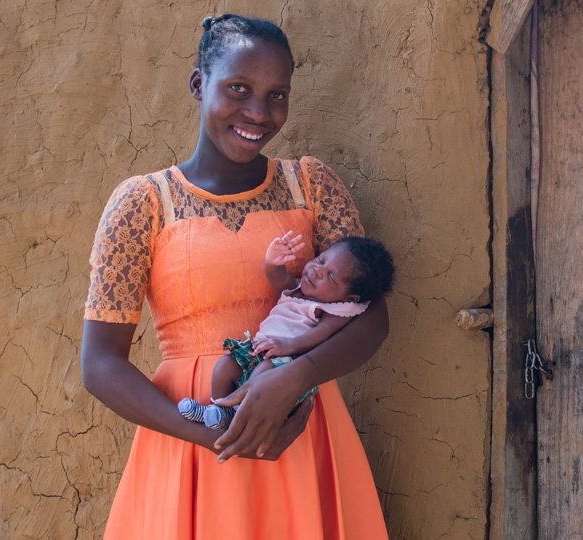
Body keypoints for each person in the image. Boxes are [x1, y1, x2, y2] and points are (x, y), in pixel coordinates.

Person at [80, 13, 390, 539]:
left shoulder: (312, 187)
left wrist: (294, 377)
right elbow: (100, 363)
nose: (258, 112)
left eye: (276, 95)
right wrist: (210, 433)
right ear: (199, 85)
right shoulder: (143, 204)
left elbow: (371, 316)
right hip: (192, 438)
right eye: (238, 89)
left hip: (296, 428)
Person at [177, 232, 395, 430]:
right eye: (321, 260)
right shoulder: (299, 289)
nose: (317, 271)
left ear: (350, 298)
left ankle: (238, 418)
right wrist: (272, 262)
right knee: (225, 366)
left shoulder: (335, 310)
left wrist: (288, 346)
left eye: (330, 277)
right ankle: (218, 409)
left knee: (264, 376)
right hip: (261, 347)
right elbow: (279, 279)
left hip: (287, 360)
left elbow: (320, 334)